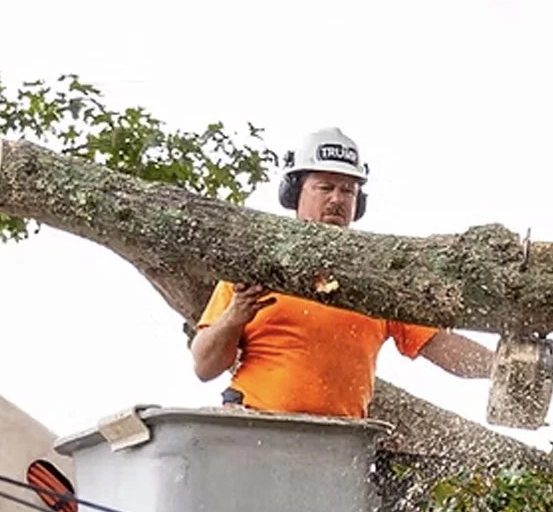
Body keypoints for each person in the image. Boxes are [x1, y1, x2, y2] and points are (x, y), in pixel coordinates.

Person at [191, 127, 493, 416]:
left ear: (358, 202)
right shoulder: (257, 265)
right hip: (256, 425)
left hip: (340, 439)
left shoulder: (378, 277)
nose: (337, 198)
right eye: (325, 187)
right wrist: (236, 313)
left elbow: (439, 345)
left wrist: (499, 367)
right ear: (295, 193)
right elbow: (205, 367)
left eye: (347, 190)